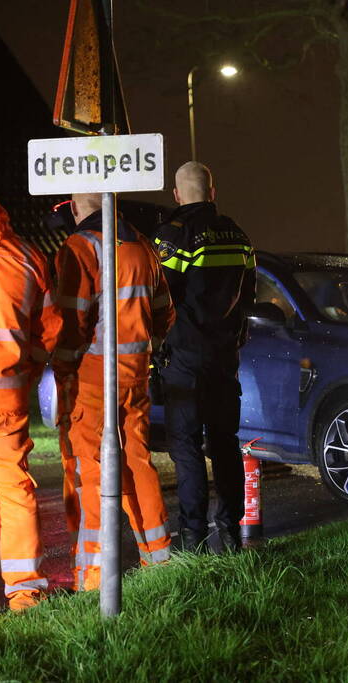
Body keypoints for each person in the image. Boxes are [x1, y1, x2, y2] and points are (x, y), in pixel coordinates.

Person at [52, 193, 175, 591]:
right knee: (138, 462)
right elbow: (164, 314)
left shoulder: (80, 248)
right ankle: (159, 558)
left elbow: (70, 325)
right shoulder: (142, 246)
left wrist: (63, 368)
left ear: (75, 208)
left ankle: (93, 577)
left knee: (91, 472)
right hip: (134, 378)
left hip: (92, 382)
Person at [0, 153, 60, 610]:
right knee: (14, 490)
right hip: (7, 396)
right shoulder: (28, 255)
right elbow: (51, 331)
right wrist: (28, 368)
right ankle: (25, 593)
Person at [154, 161, 255, 552]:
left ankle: (193, 537)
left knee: (186, 448)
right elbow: (248, 297)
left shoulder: (173, 237)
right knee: (226, 444)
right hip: (224, 359)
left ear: (177, 195)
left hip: (185, 360)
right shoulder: (239, 235)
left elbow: (159, 296)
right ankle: (231, 530)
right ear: (212, 193)